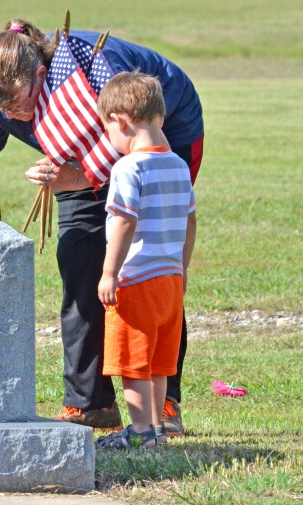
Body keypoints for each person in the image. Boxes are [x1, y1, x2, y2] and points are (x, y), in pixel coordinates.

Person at [0, 18, 203, 433]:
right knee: (79, 261)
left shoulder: (95, 68)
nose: (14, 116)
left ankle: (164, 406)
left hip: (157, 137)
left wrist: (78, 178)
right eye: (3, 111)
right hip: (72, 156)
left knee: (150, 265)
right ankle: (90, 403)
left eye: (19, 104)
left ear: (41, 73)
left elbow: (128, 143)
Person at [93, 72, 196, 449]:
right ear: (160, 118)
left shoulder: (127, 168)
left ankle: (139, 432)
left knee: (133, 361)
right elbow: (190, 220)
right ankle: (156, 430)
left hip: (136, 279)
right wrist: (181, 268)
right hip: (170, 279)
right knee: (158, 362)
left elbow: (123, 220)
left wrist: (109, 272)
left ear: (121, 122)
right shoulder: (179, 166)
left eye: (108, 131)